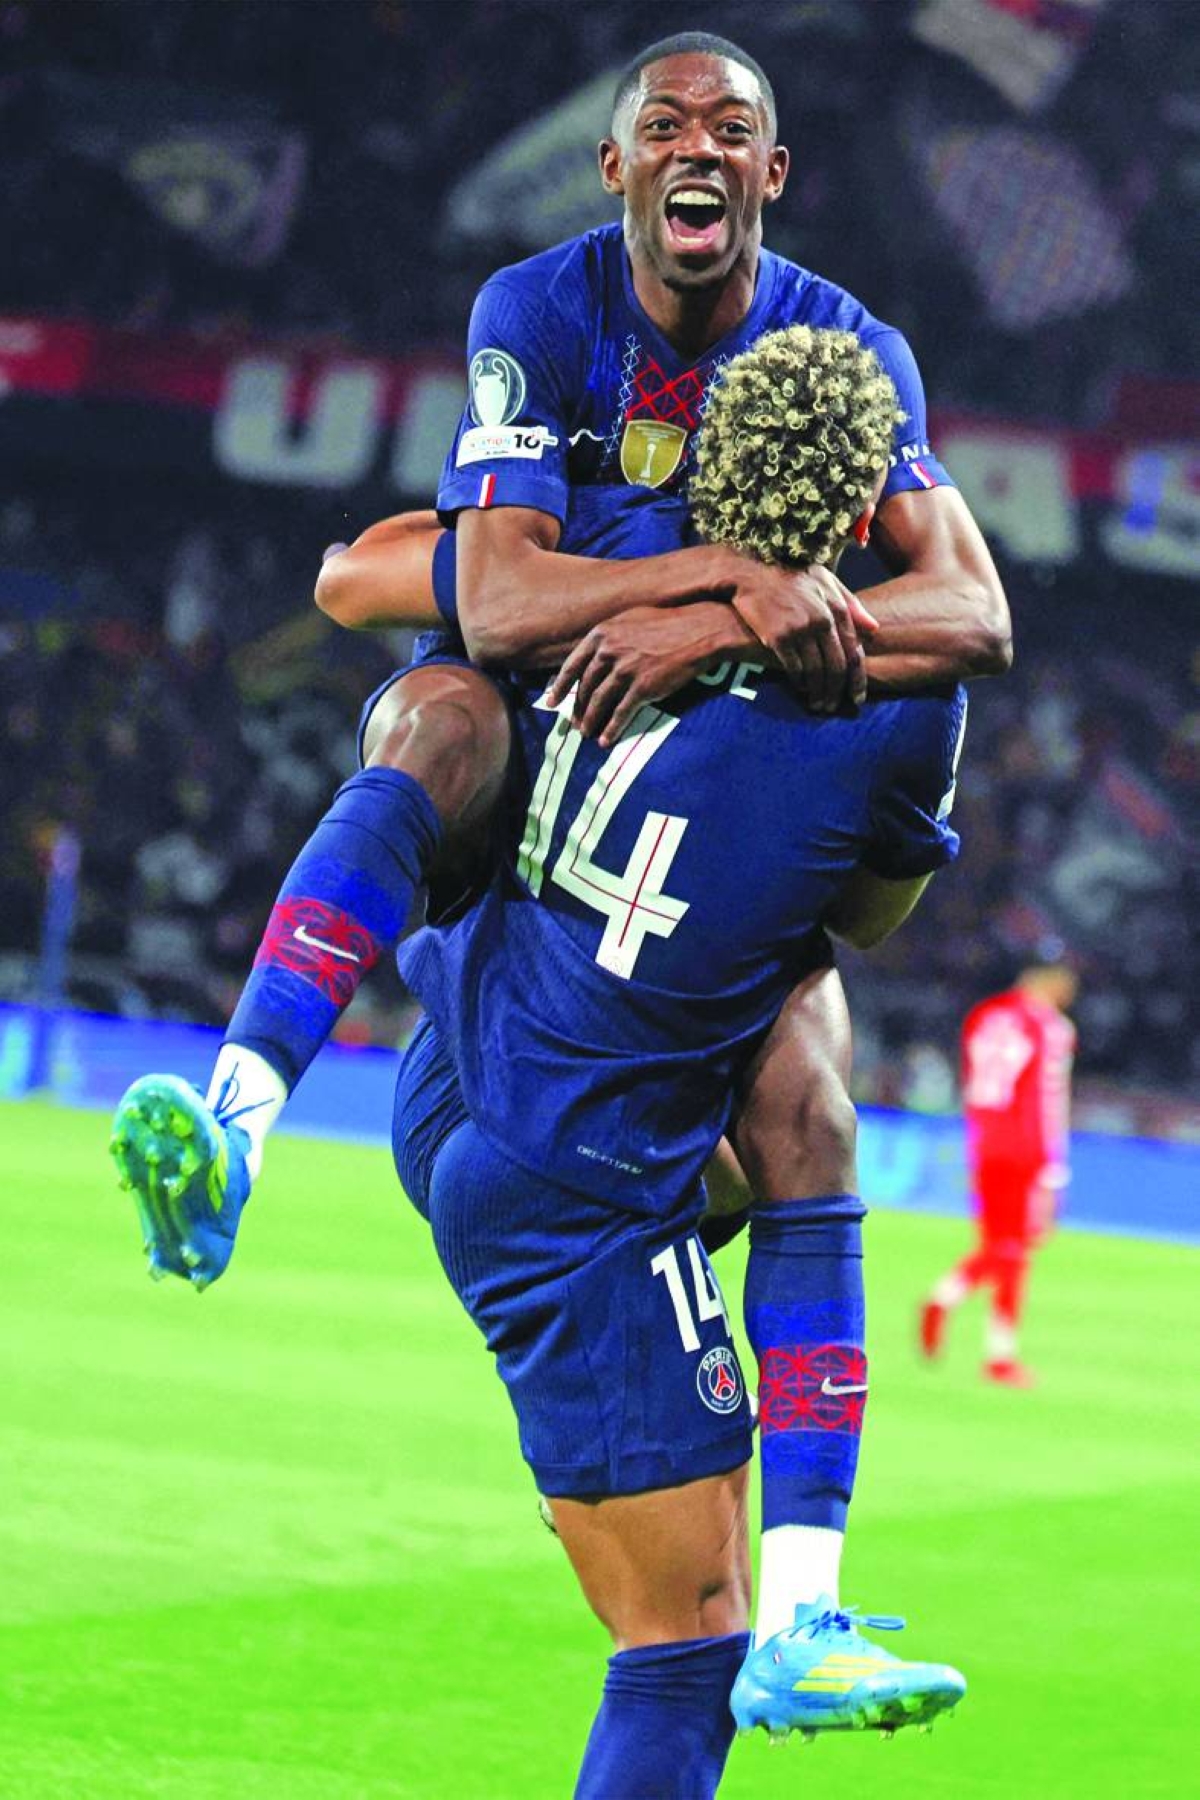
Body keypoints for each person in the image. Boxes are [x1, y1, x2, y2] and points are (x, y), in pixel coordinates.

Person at [110, 27, 1009, 1755]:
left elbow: (376, 573)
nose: (698, 146)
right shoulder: (552, 313)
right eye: (665, 123)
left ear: (773, 175)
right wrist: (733, 590)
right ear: (618, 169)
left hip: (486, 1020)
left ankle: (796, 1603)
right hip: (571, 1142)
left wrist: (685, 617)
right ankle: (237, 1116)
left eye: (731, 127)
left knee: (772, 1048)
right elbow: (456, 600)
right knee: (685, 1631)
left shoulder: (824, 364)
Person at [920, 957, 1077, 1387]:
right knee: (1015, 1248)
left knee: (1000, 1244)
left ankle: (948, 1304)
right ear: (1049, 980)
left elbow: (972, 1082)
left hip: (985, 1141)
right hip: (1025, 1148)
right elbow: (1047, 1099)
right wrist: (1053, 1171)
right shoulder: (1050, 1026)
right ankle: (995, 1351)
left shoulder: (984, 1015)